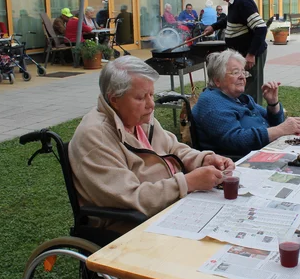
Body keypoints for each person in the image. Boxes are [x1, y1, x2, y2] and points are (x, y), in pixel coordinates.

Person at [69, 56, 235, 222]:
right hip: (132, 227)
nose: (151, 104)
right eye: (141, 98)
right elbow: (131, 197)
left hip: (171, 208)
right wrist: (187, 183)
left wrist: (203, 159)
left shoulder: (137, 119)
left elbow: (173, 148)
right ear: (114, 99)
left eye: (151, 94)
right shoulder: (96, 137)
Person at [193, 49, 300, 156]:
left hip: (265, 151)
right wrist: (280, 130)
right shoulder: (212, 103)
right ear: (217, 80)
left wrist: (273, 103)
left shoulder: (241, 98)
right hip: (240, 161)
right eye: (235, 72)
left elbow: (276, 123)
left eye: (243, 72)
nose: (242, 77)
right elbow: (235, 140)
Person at [203, 0, 268, 105]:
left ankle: (254, 118)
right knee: (241, 88)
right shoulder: (235, 1)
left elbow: (261, 28)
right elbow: (231, 19)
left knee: (250, 89)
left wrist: (251, 54)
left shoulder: (244, 1)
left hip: (251, 55)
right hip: (242, 54)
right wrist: (214, 27)